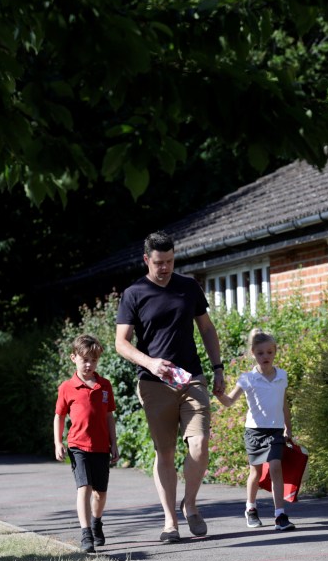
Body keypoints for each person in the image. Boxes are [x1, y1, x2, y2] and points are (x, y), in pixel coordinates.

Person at [114, 231, 225, 543]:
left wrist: (217, 368)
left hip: (192, 378)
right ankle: (170, 521)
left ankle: (190, 503)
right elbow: (121, 343)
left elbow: (206, 328)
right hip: (154, 383)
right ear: (146, 260)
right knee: (165, 452)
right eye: (159, 262)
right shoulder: (134, 293)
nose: (165, 268)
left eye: (170, 262)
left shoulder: (187, 287)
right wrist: (150, 363)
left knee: (200, 445)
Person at [215, 328, 296, 532]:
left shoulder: (282, 376)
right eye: (260, 353)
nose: (265, 356)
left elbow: (284, 404)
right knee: (256, 472)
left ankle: (280, 515)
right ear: (253, 353)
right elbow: (229, 401)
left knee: (276, 467)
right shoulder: (247, 379)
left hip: (276, 431)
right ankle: (251, 508)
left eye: (269, 352)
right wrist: (219, 394)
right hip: (255, 431)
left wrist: (289, 427)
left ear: (275, 352)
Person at [53, 334, 119, 554]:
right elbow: (59, 416)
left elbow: (110, 416)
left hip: (101, 446)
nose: (89, 364)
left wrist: (114, 444)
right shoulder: (67, 387)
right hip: (77, 445)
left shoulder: (104, 385)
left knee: (100, 492)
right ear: (73, 358)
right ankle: (86, 533)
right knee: (84, 487)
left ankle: (97, 522)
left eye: (93, 360)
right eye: (85, 360)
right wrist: (58, 442)